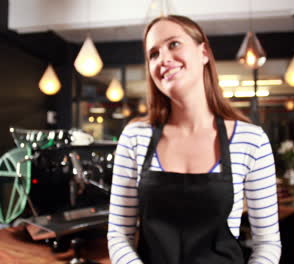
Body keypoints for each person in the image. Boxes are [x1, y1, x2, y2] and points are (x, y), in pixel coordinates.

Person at [107, 15, 281, 264]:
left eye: (174, 44)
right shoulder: (135, 137)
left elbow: (267, 243)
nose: (163, 58)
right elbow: (118, 235)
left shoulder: (251, 140)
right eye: (153, 54)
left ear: (204, 53)